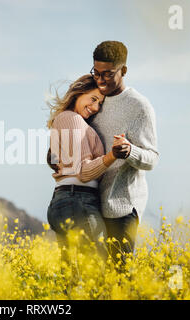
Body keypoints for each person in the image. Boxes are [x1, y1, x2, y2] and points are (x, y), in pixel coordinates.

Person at [88, 40, 159, 266]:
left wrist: (130, 151)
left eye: (107, 74)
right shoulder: (91, 98)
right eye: (96, 73)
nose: (100, 80)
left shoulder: (139, 106)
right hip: (89, 203)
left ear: (124, 71)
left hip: (122, 206)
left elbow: (152, 158)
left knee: (119, 277)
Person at [46, 74, 128, 263]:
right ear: (79, 92)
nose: (95, 107)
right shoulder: (71, 118)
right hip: (78, 202)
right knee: (98, 269)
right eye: (93, 99)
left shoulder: (69, 120)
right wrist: (112, 155)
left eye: (100, 103)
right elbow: (83, 172)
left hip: (68, 201)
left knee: (74, 275)